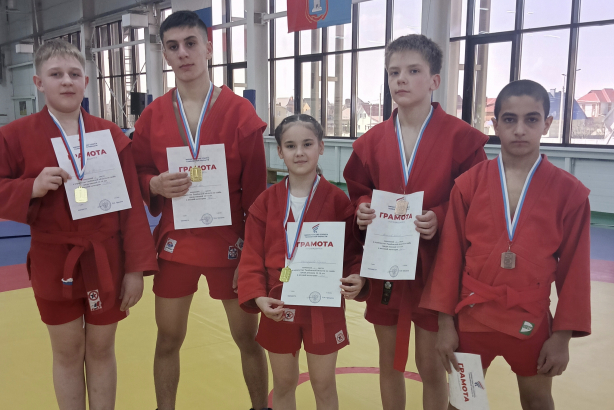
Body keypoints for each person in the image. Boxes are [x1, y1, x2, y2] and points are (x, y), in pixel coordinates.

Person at [0, 39, 158, 410]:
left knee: (102, 349)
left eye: (73, 74)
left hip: (106, 258)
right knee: (67, 352)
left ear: (85, 81)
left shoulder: (112, 136)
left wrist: (136, 269)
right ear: (39, 83)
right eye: (56, 74)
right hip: (54, 261)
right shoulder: (15, 135)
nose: (66, 81)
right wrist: (30, 188)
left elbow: (132, 206)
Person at [421, 79, 591, 410]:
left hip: (531, 321)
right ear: (495, 124)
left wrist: (562, 337)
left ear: (547, 124)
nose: (520, 129)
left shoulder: (569, 193)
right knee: (463, 403)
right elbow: (449, 258)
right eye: (510, 119)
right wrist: (444, 324)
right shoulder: (468, 185)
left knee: (538, 401)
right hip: (473, 318)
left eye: (531, 119)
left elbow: (576, 270)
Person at [130, 10, 269, 410]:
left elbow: (257, 196)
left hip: (232, 245)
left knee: (248, 339)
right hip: (177, 243)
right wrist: (153, 185)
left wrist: (253, 256)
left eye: (191, 43)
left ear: (209, 47)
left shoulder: (240, 113)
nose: (183, 53)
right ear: (164, 55)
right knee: (168, 339)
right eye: (173, 46)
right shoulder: (152, 116)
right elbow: (138, 172)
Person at [343, 34, 489, 410]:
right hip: (387, 265)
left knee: (431, 366)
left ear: (434, 80)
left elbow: (477, 199)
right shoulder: (371, 142)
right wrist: (363, 207)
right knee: (389, 363)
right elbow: (360, 189)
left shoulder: (462, 139)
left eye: (413, 71)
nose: (401, 79)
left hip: (436, 268)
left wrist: (440, 216)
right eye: (394, 72)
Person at [237, 114, 366, 410]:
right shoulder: (265, 203)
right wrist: (257, 297)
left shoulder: (338, 201)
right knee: (283, 383)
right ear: (279, 151)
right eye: (290, 146)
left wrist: (358, 276)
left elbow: (352, 253)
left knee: (323, 383)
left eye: (307, 144)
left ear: (321, 147)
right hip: (278, 304)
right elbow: (252, 256)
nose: (299, 152)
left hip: (324, 306)